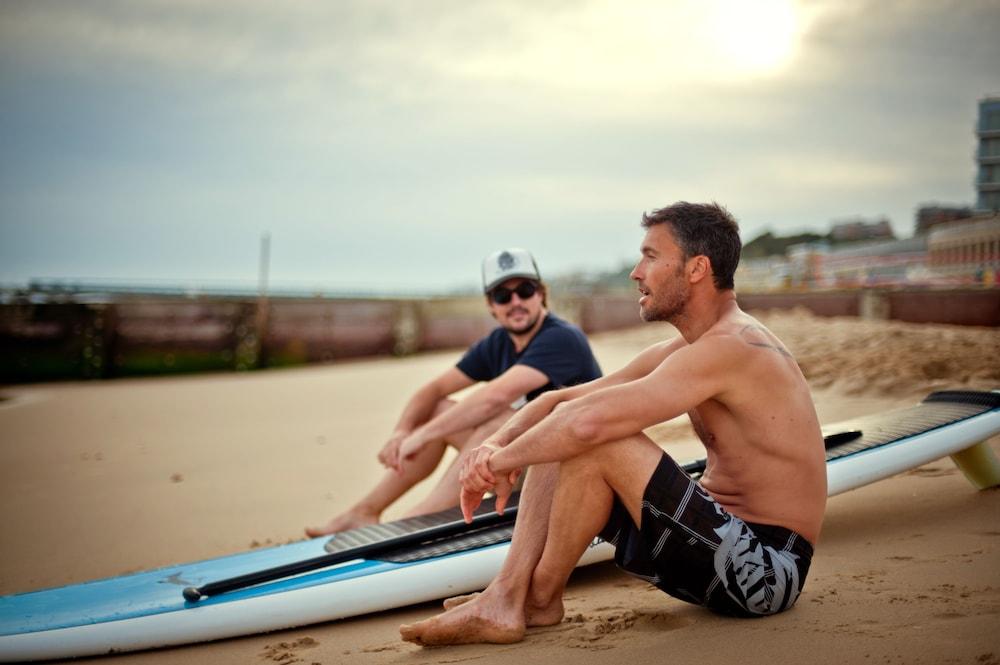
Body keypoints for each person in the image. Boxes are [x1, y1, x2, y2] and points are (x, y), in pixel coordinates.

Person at [399, 202, 827, 646]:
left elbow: (588, 426)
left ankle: (519, 597)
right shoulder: (689, 346)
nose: (636, 272)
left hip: (768, 571)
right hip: (715, 543)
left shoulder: (735, 346)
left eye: (651, 257)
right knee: (564, 429)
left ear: (697, 268)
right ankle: (518, 597)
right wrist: (491, 450)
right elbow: (559, 400)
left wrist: (500, 462)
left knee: (594, 437)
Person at [305, 248, 602, 537]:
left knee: (500, 421)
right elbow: (432, 390)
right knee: (439, 410)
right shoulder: (498, 342)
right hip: (526, 462)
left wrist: (423, 436)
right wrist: (402, 431)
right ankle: (365, 511)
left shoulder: (562, 337)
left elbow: (495, 397)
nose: (515, 302)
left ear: (541, 293)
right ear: (490, 305)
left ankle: (417, 521)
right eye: (502, 295)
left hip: (568, 470)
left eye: (525, 290)